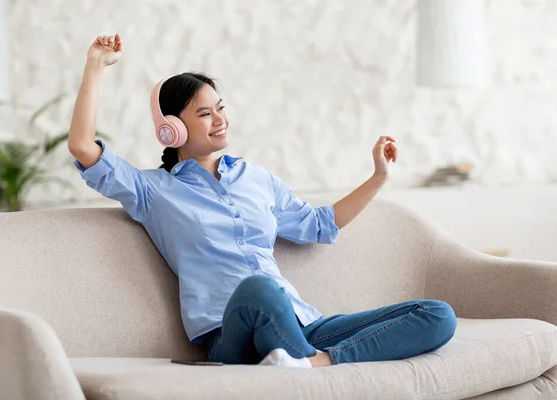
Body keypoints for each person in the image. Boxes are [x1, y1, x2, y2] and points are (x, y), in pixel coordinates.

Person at [68, 33, 457, 368]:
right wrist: (96, 66)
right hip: (233, 336)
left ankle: (313, 363)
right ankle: (301, 363)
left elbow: (321, 224)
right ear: (171, 129)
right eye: (204, 113)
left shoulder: (255, 179)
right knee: (261, 288)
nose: (219, 118)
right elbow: (83, 146)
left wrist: (378, 177)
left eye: (220, 108)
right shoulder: (153, 191)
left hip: (301, 322)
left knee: (436, 315)